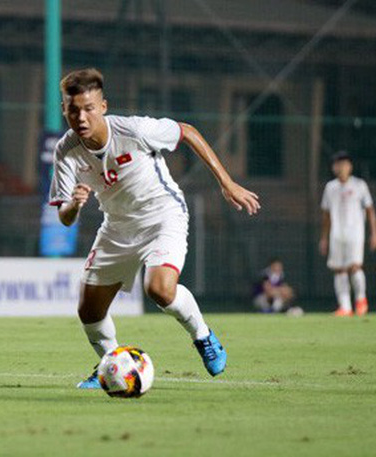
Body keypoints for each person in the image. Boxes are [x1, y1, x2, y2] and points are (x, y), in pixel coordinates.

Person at [48, 68, 260, 388]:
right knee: (89, 310)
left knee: (159, 289)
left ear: (102, 106)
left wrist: (227, 183)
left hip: (163, 214)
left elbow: (187, 131)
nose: (81, 116)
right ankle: (110, 362)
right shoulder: (65, 151)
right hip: (117, 226)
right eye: (73, 109)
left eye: (88, 108)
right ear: (63, 108)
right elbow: (64, 216)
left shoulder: (134, 129)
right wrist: (75, 205)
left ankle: (203, 336)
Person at [319, 150, 376, 316]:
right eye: (338, 164)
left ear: (350, 166)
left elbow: (370, 211)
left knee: (354, 266)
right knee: (339, 269)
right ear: (333, 167)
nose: (341, 167)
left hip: (355, 232)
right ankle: (345, 306)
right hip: (337, 234)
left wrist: (374, 233)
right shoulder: (330, 187)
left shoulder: (359, 185)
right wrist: (324, 238)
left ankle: (361, 300)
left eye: (344, 164)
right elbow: (326, 215)